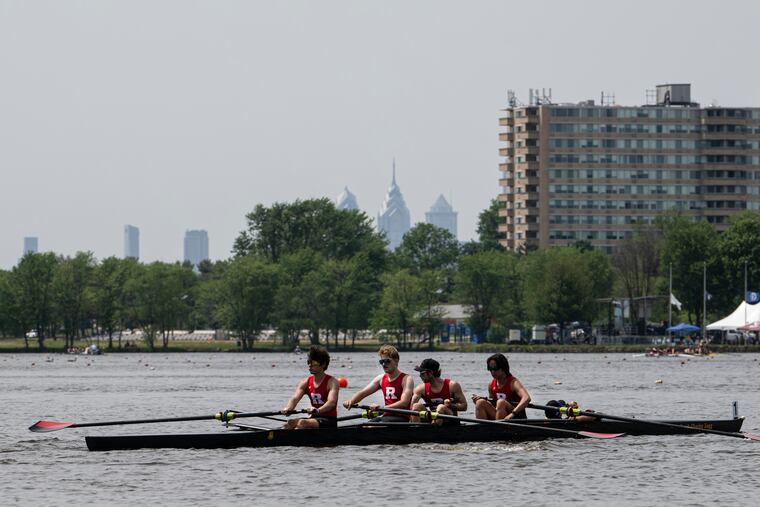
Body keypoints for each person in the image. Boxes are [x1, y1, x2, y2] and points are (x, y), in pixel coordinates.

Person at [342, 344, 414, 422]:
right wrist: (351, 401)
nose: (384, 364)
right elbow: (362, 393)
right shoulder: (381, 379)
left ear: (396, 360)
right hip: (386, 416)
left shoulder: (406, 379)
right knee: (365, 426)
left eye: (387, 361)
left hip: (401, 418)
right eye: (381, 361)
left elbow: (404, 402)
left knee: (372, 426)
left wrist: (381, 408)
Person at [281, 345, 340, 429]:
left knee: (302, 423)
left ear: (323, 364)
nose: (310, 365)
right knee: (288, 424)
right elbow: (294, 398)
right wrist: (289, 408)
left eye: (313, 363)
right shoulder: (305, 382)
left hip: (329, 421)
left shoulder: (332, 382)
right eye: (309, 362)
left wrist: (318, 410)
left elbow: (331, 402)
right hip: (314, 418)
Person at [471, 353, 531, 420]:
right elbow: (493, 404)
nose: (492, 372)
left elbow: (527, 398)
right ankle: (483, 429)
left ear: (503, 368)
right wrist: (483, 400)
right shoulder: (491, 385)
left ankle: (498, 428)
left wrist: (513, 413)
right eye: (490, 369)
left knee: (501, 402)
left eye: (495, 368)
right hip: (501, 417)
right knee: (480, 402)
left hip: (516, 417)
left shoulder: (513, 383)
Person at [409, 358, 467, 425]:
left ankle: (436, 431)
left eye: (422, 373)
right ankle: (416, 430)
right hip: (432, 419)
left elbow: (464, 406)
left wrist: (451, 405)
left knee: (441, 407)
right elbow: (411, 407)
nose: (420, 376)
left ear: (430, 373)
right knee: (416, 406)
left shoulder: (452, 385)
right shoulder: (420, 389)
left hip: (450, 419)